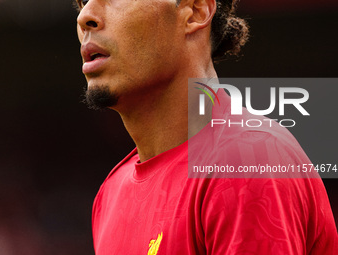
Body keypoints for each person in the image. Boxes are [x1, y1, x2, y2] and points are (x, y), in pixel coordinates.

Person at [75, 0, 337, 254]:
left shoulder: (245, 163)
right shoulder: (112, 192)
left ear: (196, 11)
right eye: (83, 0)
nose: (85, 15)